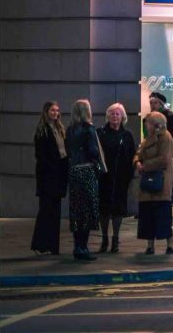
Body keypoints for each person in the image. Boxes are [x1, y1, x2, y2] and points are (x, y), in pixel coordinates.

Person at [65, 99, 104, 261]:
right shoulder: (89, 129)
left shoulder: (70, 130)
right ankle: (84, 247)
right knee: (87, 210)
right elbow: (93, 151)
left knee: (76, 210)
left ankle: (77, 246)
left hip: (74, 171)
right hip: (87, 170)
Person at [134, 111, 173, 255]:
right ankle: (150, 245)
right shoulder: (147, 138)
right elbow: (138, 152)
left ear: (155, 124)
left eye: (148, 122)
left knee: (161, 214)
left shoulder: (166, 138)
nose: (145, 124)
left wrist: (145, 165)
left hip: (161, 180)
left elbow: (164, 159)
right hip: (148, 180)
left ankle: (170, 242)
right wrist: (137, 162)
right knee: (147, 213)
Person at [96, 103, 136, 253]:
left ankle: (115, 239)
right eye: (112, 114)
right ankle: (105, 238)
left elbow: (133, 155)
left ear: (122, 117)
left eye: (117, 114)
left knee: (118, 210)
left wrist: (130, 175)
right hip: (104, 177)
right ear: (108, 116)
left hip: (121, 178)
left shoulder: (127, 135)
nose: (114, 116)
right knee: (104, 209)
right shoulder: (100, 133)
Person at [31, 101, 69, 255]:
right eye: (52, 110)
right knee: (46, 211)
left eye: (57, 110)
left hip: (59, 175)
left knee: (56, 212)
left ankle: (53, 246)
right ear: (46, 111)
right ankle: (40, 244)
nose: (55, 113)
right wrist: (53, 167)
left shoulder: (60, 129)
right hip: (48, 176)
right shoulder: (42, 131)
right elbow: (41, 156)